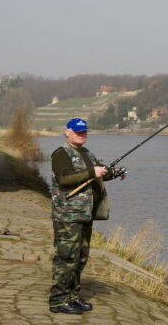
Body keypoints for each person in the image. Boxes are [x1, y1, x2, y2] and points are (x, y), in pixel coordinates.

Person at [49, 118, 121, 315]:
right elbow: (64, 179)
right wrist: (92, 171)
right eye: (78, 131)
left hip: (85, 214)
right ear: (67, 132)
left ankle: (72, 296)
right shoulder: (61, 154)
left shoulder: (87, 153)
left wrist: (113, 172)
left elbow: (99, 173)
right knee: (67, 258)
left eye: (84, 132)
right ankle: (58, 300)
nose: (81, 135)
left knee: (80, 258)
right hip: (67, 216)